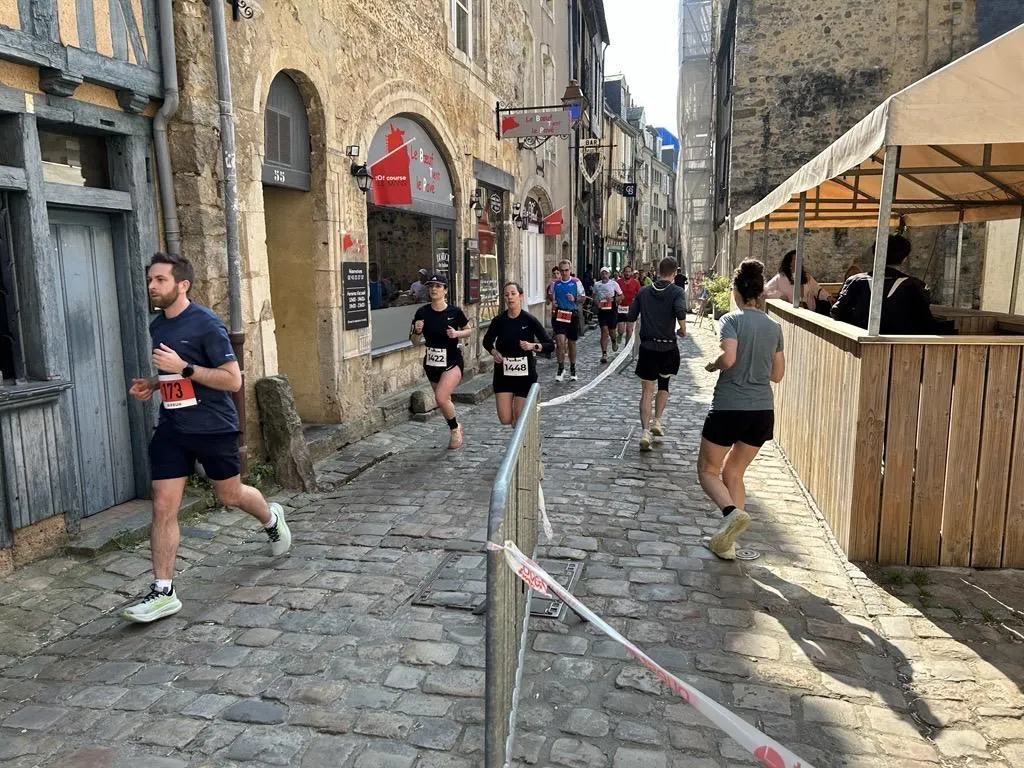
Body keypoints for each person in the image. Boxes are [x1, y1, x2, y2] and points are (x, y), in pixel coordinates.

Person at [123, 253, 291, 623]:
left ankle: (271, 518)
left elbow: (232, 380)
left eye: (160, 280)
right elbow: (175, 375)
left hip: (213, 426)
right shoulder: (158, 325)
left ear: (182, 284)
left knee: (230, 495)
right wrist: (154, 383)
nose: (152, 286)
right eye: (150, 279)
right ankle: (163, 591)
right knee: (163, 505)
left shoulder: (206, 323)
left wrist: (183, 367)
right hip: (173, 427)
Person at [698, 259, 785, 560]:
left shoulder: (731, 320)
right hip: (762, 411)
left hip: (729, 407)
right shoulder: (774, 327)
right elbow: (778, 375)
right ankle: (728, 544)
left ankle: (730, 513)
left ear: (735, 290)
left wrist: (713, 365)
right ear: (760, 294)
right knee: (734, 472)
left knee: (708, 470)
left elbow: (729, 358)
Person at [627, 257, 687, 452]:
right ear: (675, 272)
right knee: (664, 385)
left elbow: (631, 315)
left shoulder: (644, 292)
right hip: (668, 347)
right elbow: (680, 312)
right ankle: (658, 421)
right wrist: (683, 329)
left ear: (658, 271)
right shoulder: (677, 291)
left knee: (646, 392)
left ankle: (645, 432)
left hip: (648, 347)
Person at [830, 234, 938, 334]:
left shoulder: (856, 281)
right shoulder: (915, 285)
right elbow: (925, 321)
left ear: (875, 254)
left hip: (859, 341)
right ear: (904, 258)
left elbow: (837, 312)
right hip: (902, 345)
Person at [411, 274, 471, 448]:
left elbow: (468, 330)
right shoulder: (422, 312)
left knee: (441, 396)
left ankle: (454, 429)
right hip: (432, 364)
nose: (433, 289)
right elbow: (414, 342)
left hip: (452, 361)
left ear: (445, 290)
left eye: (438, 286)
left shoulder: (454, 312)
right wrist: (417, 332)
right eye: (431, 286)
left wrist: (457, 334)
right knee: (443, 401)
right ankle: (456, 425)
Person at [483, 282, 555, 425]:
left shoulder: (529, 320)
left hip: (525, 375)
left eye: (513, 294)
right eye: (506, 295)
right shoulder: (499, 321)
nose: (510, 297)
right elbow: (487, 341)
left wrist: (532, 346)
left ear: (520, 296)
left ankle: (522, 438)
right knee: (505, 419)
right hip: (503, 375)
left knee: (519, 418)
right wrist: (494, 352)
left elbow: (550, 345)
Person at [551, 259, 585, 382]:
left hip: (572, 315)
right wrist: (553, 302)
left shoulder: (576, 282)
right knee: (560, 342)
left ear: (570, 270)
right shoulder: (555, 284)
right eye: (562, 271)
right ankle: (560, 368)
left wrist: (574, 298)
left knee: (571, 343)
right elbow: (551, 297)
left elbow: (583, 298)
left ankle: (572, 368)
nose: (564, 273)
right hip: (560, 314)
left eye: (566, 270)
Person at [592, 266, 623, 363]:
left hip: (612, 309)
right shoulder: (597, 284)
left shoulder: (614, 283)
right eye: (602, 273)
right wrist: (596, 302)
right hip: (602, 310)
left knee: (612, 331)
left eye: (606, 273)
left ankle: (613, 340)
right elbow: (594, 296)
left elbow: (621, 296)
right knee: (604, 331)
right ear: (600, 275)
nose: (604, 275)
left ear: (609, 274)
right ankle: (604, 354)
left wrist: (614, 299)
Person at [615, 265, 642, 346]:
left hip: (631, 308)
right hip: (621, 307)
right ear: (623, 272)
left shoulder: (636, 282)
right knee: (620, 330)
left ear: (632, 273)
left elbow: (639, 295)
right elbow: (614, 293)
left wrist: (637, 303)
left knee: (629, 330)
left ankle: (626, 347)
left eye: (629, 272)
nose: (627, 273)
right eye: (626, 271)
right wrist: (617, 299)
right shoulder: (618, 282)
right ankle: (620, 335)